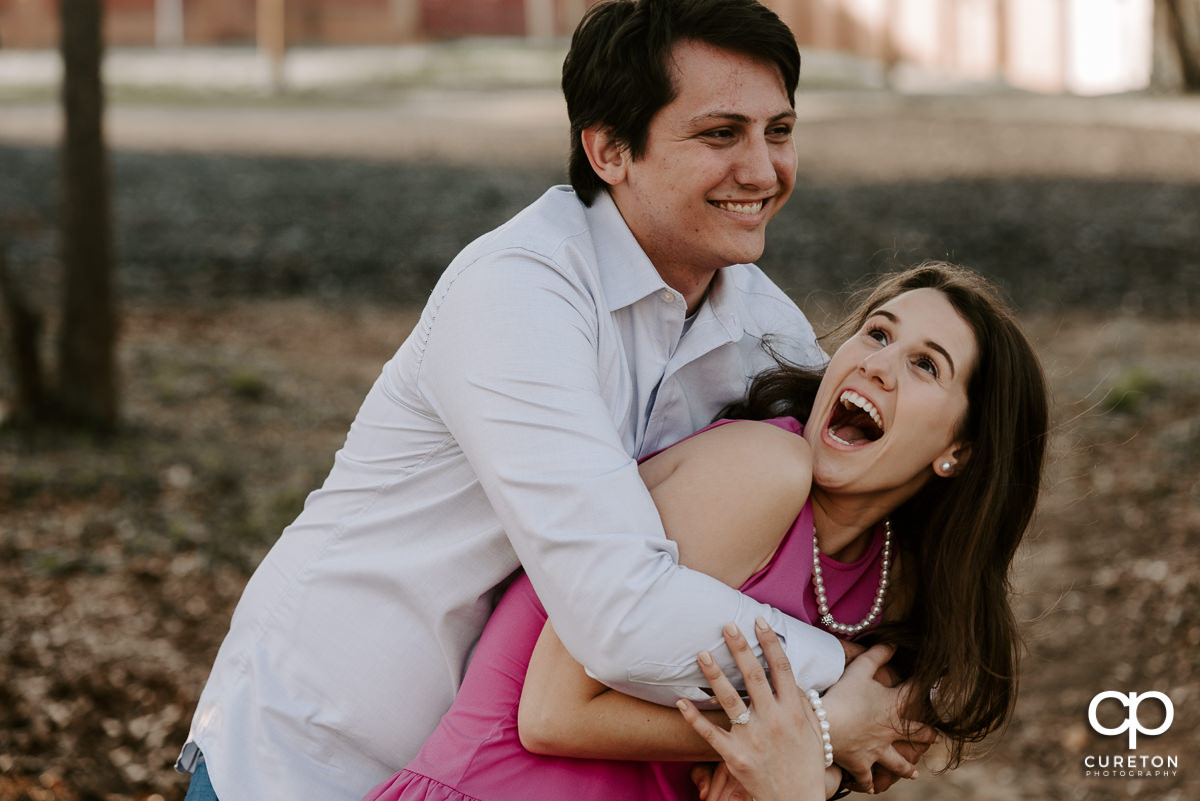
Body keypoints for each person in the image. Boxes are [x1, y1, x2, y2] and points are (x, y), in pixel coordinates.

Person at [176, 2, 921, 800]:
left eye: (778, 130)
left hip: (493, 771)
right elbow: (617, 615)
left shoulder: (766, 330)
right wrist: (830, 682)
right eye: (719, 134)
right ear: (608, 149)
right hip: (307, 752)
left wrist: (896, 686)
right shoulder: (518, 289)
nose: (764, 170)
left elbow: (843, 529)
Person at [358, 262, 1050, 801]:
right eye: (877, 332)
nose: (876, 362)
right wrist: (818, 731)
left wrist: (798, 759)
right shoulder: (763, 470)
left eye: (926, 365)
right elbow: (550, 712)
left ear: (959, 450)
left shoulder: (894, 593)